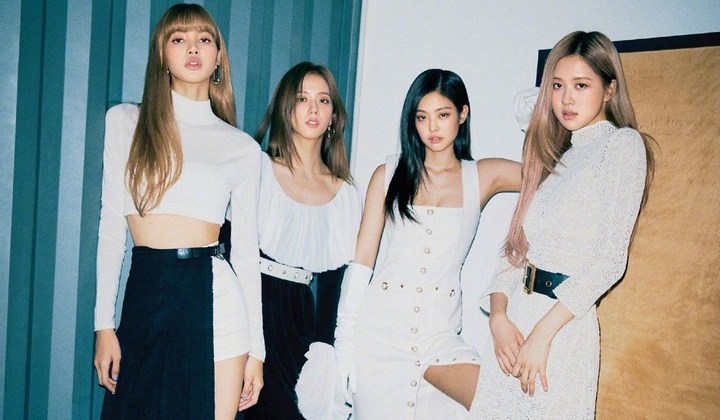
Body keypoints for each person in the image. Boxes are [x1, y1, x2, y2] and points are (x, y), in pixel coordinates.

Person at [464, 31, 655, 418]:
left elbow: (610, 260)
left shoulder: (622, 145)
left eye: (581, 85)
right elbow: (514, 253)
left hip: (562, 330)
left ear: (609, 89)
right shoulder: (554, 157)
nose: (566, 99)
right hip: (515, 326)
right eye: (557, 85)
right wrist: (498, 319)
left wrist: (543, 333)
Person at [92, 4, 264, 419]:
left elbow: (246, 254)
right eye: (178, 38)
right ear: (161, 53)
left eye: (204, 39)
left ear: (218, 57)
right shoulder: (125, 122)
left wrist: (257, 353)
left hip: (215, 298)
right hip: (147, 290)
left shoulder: (241, 147)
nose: (192, 47)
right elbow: (111, 228)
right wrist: (103, 326)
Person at [333, 69, 521, 419]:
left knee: (501, 403)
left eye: (443, 115)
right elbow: (361, 263)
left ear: (462, 114)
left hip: (439, 337)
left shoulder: (482, 175)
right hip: (378, 338)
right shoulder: (388, 174)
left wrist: (540, 124)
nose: (432, 127)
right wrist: (343, 345)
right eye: (422, 117)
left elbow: (555, 177)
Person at [242, 62, 362, 420]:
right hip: (249, 308)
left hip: (299, 321)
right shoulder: (256, 168)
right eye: (302, 98)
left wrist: (325, 347)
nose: (313, 109)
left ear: (333, 116)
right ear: (286, 108)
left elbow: (334, 282)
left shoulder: (345, 193)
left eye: (323, 100)